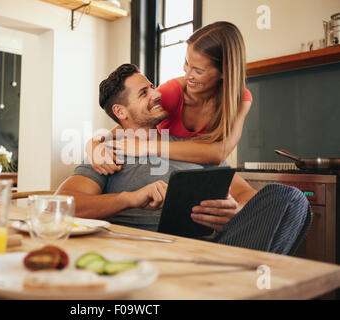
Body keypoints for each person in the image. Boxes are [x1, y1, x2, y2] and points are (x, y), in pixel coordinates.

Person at [57, 64, 312, 255]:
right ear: (120, 111)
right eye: (144, 93)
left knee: (291, 199)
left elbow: (245, 193)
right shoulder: (108, 152)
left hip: (214, 246)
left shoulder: (189, 142)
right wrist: (130, 199)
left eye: (153, 87)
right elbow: (66, 204)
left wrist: (236, 212)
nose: (156, 94)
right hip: (151, 250)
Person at [87, 21, 252, 176]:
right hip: (169, 170)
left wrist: (147, 147)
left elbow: (220, 152)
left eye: (198, 71)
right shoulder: (171, 92)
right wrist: (93, 145)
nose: (188, 75)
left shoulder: (239, 100)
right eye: (186, 63)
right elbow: (133, 121)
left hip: (205, 169)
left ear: (224, 72)